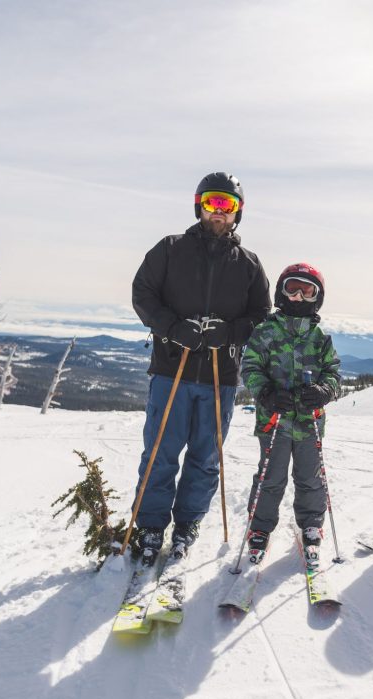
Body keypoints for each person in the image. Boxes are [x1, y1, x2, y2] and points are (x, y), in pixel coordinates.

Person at [129, 172, 270, 564]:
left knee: (206, 455)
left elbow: (262, 315)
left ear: (238, 213)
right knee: (160, 450)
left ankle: (188, 522)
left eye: (227, 205)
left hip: (218, 374)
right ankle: (152, 524)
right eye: (212, 202)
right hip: (170, 369)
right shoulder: (170, 250)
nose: (218, 212)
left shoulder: (248, 264)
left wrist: (231, 332)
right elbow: (143, 293)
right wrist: (174, 328)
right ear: (199, 204)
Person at [239, 263, 342, 565]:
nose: (298, 295)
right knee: (271, 476)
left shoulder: (319, 336)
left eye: (306, 290)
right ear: (281, 292)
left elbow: (334, 372)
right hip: (275, 419)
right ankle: (259, 527)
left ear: (317, 296)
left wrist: (325, 391)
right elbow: (251, 367)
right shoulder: (266, 332)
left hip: (309, 422)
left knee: (310, 476)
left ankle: (311, 524)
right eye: (292, 288)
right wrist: (267, 393)